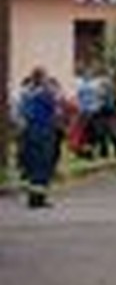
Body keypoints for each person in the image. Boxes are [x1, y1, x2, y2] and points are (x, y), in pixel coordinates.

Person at [17, 67, 59, 208]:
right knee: (43, 164)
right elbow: (53, 107)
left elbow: (23, 112)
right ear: (41, 79)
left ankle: (33, 198)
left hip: (30, 131)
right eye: (45, 77)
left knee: (33, 164)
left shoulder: (27, 93)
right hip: (43, 131)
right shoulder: (45, 93)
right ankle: (39, 199)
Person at [75, 70, 100, 158]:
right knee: (90, 134)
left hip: (86, 111)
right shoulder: (93, 85)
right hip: (90, 111)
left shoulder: (81, 85)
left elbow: (79, 97)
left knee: (86, 133)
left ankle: (87, 151)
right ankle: (89, 151)